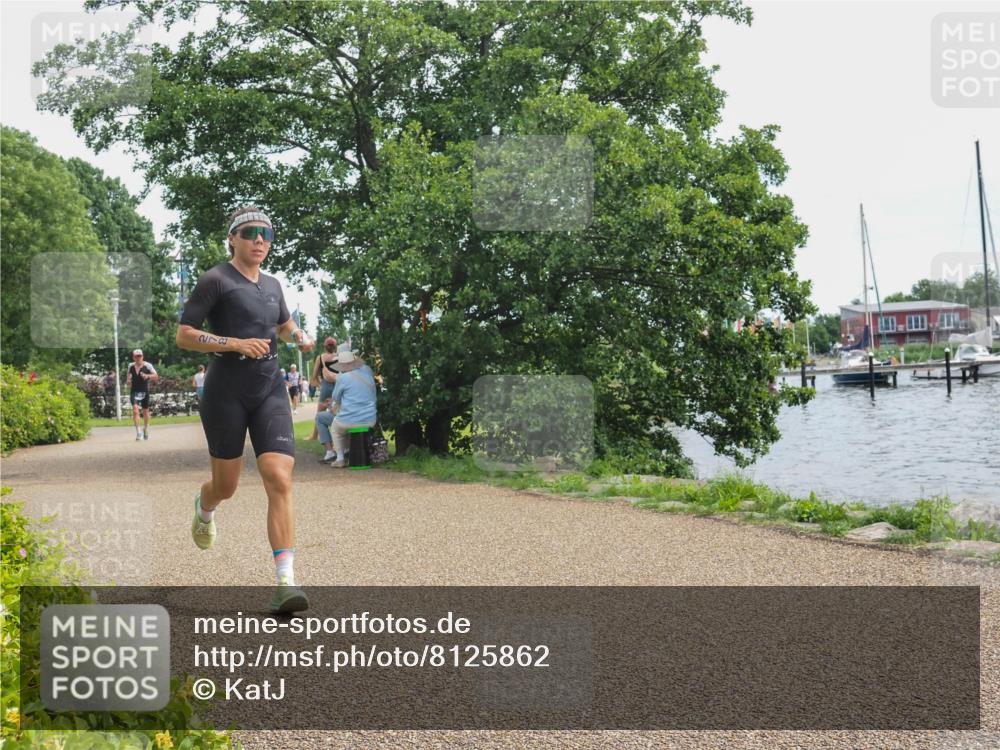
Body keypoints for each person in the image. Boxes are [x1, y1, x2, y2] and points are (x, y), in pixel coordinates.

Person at [175, 205, 315, 613]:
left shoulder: (273, 285)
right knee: (227, 487)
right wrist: (234, 343)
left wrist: (299, 337)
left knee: (278, 475)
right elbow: (184, 335)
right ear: (232, 238)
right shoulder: (215, 280)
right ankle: (205, 506)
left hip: (269, 388)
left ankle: (285, 582)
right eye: (251, 232)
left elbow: (283, 326)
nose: (260, 240)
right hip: (226, 392)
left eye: (267, 235)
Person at [316, 350, 377, 468]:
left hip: (350, 420)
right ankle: (348, 450)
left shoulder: (342, 378)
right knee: (344, 421)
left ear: (342, 365)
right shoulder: (368, 372)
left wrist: (330, 404)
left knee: (335, 427)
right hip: (370, 419)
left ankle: (339, 458)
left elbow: (336, 398)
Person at [306, 337, 338, 441]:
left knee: (320, 412)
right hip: (338, 385)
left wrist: (321, 385)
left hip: (326, 386)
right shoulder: (339, 357)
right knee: (338, 411)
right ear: (335, 347)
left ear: (325, 347)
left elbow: (314, 376)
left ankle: (315, 436)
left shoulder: (321, 358)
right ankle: (339, 436)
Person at [126, 349, 158, 441]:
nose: (138, 358)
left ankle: (146, 429)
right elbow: (128, 377)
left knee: (145, 412)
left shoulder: (148, 365)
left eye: (140, 356)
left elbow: (156, 376)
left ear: (142, 357)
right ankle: (138, 432)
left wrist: (148, 376)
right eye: (136, 356)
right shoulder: (130, 366)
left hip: (144, 391)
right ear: (133, 357)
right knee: (135, 410)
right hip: (134, 391)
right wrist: (128, 381)